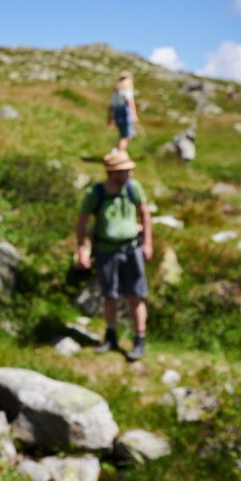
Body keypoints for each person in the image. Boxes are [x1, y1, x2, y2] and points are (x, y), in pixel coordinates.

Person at [74, 151, 153, 361]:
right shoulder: (95, 193)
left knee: (136, 295)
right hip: (106, 251)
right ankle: (110, 337)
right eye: (125, 169)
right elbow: (82, 222)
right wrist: (82, 249)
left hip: (132, 248)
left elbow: (145, 213)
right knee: (110, 295)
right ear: (113, 172)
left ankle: (139, 339)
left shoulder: (133, 188)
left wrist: (147, 243)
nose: (130, 172)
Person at [107, 70, 138, 153]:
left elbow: (111, 106)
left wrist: (109, 118)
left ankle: (116, 151)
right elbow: (130, 101)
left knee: (122, 135)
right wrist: (134, 115)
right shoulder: (128, 84)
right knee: (127, 136)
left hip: (117, 112)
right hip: (125, 112)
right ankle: (118, 153)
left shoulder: (116, 88)